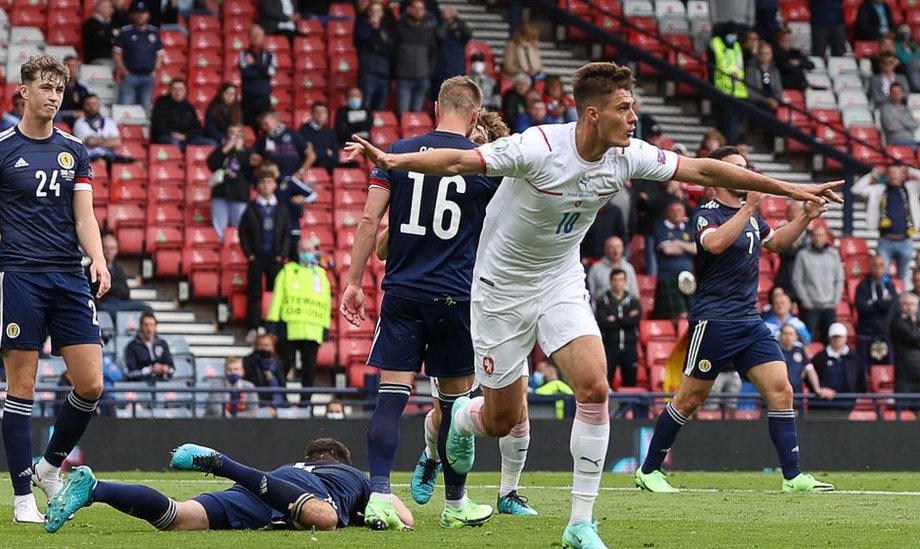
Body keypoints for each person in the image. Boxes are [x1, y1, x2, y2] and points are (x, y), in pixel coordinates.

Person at [344, 62, 841, 547]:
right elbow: (457, 161)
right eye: (625, 108)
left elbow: (701, 168)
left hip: (560, 281)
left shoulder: (626, 154)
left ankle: (580, 524)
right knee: (499, 419)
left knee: (595, 387)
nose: (633, 117)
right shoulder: (539, 146)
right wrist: (394, 162)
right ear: (592, 116)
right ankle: (459, 419)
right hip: (499, 289)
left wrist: (789, 188)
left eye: (634, 107)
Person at [340, 76, 504, 532]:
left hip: (403, 295)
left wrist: (354, 283)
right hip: (457, 297)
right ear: (475, 116)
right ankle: (455, 504)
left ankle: (377, 498)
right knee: (454, 408)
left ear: (435, 107)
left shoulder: (398, 151)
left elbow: (372, 219)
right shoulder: (481, 166)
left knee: (391, 399)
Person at [635, 145, 833, 494]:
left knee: (782, 390)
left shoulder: (751, 214)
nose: (744, 174)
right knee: (690, 399)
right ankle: (649, 470)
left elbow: (777, 244)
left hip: (749, 321)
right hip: (714, 320)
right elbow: (713, 245)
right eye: (736, 169)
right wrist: (750, 208)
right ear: (719, 176)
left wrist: (806, 217)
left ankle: (793, 477)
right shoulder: (706, 213)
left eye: (746, 167)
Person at [0, 55, 110, 523]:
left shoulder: (75, 150)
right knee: (21, 387)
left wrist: (100, 258)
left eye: (59, 90)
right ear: (23, 91)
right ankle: (21, 497)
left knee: (91, 383)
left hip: (69, 275)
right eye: (44, 87)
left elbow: (84, 215)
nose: (52, 96)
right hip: (21, 277)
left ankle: (48, 467)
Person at [44, 438, 412, 534]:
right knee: (325, 518)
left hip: (269, 487)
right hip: (297, 492)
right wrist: (371, 508)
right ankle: (225, 464)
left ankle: (96, 489)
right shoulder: (354, 477)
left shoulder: (295, 464)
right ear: (339, 460)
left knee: (180, 517)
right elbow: (405, 518)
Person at [267, 238, 331, 401]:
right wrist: (272, 325)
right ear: (297, 251)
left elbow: (326, 302)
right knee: (284, 365)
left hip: (313, 328)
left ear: (314, 252)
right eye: (303, 250)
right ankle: (281, 399)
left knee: (309, 369)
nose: (306, 253)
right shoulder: (286, 271)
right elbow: (277, 299)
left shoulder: (321, 275)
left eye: (309, 250)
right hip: (289, 327)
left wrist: (326, 327)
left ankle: (305, 403)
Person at [238, 165, 291, 333]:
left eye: (269, 182)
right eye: (263, 183)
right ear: (258, 186)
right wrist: (249, 254)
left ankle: (272, 328)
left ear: (274, 185)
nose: (266, 186)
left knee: (275, 293)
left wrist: (282, 254)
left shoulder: (282, 208)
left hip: (275, 258)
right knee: (254, 293)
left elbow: (286, 234)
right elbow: (243, 233)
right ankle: (253, 327)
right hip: (257, 257)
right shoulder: (251, 208)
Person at [851, 164, 920, 281]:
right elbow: (855, 189)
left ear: (903, 175)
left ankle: (899, 299)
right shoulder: (879, 189)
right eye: (891, 173)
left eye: (897, 173)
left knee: (902, 279)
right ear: (886, 176)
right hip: (885, 242)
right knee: (883, 278)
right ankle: (886, 298)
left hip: (906, 241)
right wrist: (873, 175)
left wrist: (911, 171)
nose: (894, 176)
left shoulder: (911, 188)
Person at [207, 124, 260, 239]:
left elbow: (249, 169)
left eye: (238, 134)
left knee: (240, 227)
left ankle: (238, 251)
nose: (234, 137)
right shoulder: (221, 148)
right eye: (231, 133)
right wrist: (225, 149)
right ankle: (221, 252)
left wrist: (239, 151)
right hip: (220, 192)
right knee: (219, 228)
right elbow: (212, 164)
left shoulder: (249, 151)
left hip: (239, 193)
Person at [792, 224, 844, 342]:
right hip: (811, 307)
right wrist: (806, 301)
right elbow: (797, 280)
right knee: (807, 340)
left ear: (826, 237)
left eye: (820, 235)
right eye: (815, 235)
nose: (817, 238)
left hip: (829, 306)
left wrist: (835, 301)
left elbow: (840, 279)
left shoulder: (834, 254)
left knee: (829, 341)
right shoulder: (802, 255)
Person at [113, 1, 164, 115]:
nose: (141, 15)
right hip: (130, 75)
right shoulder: (126, 31)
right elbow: (116, 54)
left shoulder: (154, 32)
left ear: (148, 15)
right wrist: (124, 72)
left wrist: (155, 71)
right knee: (124, 107)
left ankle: (144, 132)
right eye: (137, 13)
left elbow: (160, 54)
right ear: (132, 15)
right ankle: (123, 131)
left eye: (143, 12)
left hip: (148, 76)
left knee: (146, 108)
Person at [595, 269, 641, 388]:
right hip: (610, 347)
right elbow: (603, 323)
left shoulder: (633, 300)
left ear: (625, 281)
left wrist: (615, 319)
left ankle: (629, 407)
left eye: (620, 280)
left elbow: (635, 321)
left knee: (630, 383)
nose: (617, 283)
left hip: (629, 347)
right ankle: (607, 407)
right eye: (615, 280)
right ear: (610, 281)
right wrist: (626, 319)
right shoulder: (602, 301)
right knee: (606, 383)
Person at [652, 201, 696, 320]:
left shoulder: (688, 228)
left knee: (691, 314)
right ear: (668, 213)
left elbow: (697, 249)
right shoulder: (661, 227)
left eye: (679, 211)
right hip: (668, 278)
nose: (677, 214)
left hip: (688, 279)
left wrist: (677, 243)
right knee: (675, 316)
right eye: (673, 211)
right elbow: (668, 250)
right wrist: (687, 247)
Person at [394, 0, 437, 115]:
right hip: (404, 78)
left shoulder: (428, 31)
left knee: (417, 116)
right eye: (416, 8)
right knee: (403, 115)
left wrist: (428, 72)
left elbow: (433, 53)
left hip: (422, 77)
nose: (419, 12)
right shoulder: (399, 28)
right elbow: (393, 52)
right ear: (409, 9)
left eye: (421, 9)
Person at [809, 323, 865, 408]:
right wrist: (820, 390)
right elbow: (810, 379)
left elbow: (861, 380)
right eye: (834, 337)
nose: (837, 339)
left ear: (846, 338)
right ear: (829, 338)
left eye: (840, 337)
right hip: (823, 405)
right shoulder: (819, 358)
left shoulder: (854, 357)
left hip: (849, 404)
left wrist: (855, 397)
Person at [855, 255, 897, 367]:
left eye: (881, 265)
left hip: (885, 333)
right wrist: (883, 303)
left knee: (886, 367)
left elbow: (893, 306)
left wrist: (873, 303)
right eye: (875, 265)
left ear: (885, 268)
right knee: (865, 367)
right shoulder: (862, 285)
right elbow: (862, 307)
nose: (878, 268)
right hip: (867, 332)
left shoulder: (890, 286)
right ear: (870, 267)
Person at [709, 23, 748, 144]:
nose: (733, 37)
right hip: (723, 88)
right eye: (732, 34)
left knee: (736, 124)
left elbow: (740, 66)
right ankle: (729, 146)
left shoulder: (736, 46)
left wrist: (738, 74)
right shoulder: (716, 43)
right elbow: (719, 63)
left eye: (735, 34)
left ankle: (733, 144)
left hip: (739, 90)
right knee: (727, 124)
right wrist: (730, 72)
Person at [92, 233, 149, 314]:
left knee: (146, 308)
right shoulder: (92, 267)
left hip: (121, 303)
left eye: (112, 248)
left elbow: (126, 292)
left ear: (116, 250)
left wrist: (110, 287)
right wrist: (115, 288)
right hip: (103, 304)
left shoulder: (119, 268)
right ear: (101, 249)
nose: (109, 251)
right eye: (106, 248)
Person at [354, 1, 395, 111]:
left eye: (378, 11)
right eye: (373, 10)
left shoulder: (386, 30)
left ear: (382, 13)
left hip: (384, 73)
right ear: (368, 12)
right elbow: (362, 40)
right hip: (368, 72)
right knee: (365, 104)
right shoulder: (362, 26)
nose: (375, 13)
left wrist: (378, 29)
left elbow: (388, 46)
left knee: (380, 107)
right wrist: (372, 27)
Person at [150, 79, 215, 149]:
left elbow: (197, 128)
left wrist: (186, 136)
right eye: (175, 89)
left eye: (181, 89)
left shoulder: (188, 107)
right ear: (170, 91)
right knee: (174, 141)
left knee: (210, 143)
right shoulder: (161, 105)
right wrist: (173, 134)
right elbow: (158, 127)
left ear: (185, 91)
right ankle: (176, 159)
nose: (178, 92)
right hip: (168, 137)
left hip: (186, 138)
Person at [778, 323, 835, 403]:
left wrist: (817, 388)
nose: (788, 337)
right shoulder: (775, 351)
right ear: (780, 335)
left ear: (795, 337)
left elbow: (810, 370)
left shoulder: (800, 350)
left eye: (790, 334)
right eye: (785, 334)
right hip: (778, 396)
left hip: (797, 396)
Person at [256, 109, 316, 179]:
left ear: (275, 120)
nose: (263, 127)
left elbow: (311, 155)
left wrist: (300, 172)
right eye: (262, 124)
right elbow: (257, 158)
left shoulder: (293, 134)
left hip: (293, 180)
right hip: (274, 181)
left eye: (266, 124)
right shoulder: (263, 139)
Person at [239, 24, 276, 129]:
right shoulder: (243, 54)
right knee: (247, 127)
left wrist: (254, 63)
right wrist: (262, 70)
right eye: (253, 34)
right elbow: (246, 73)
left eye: (258, 35)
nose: (255, 37)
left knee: (265, 127)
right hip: (248, 98)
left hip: (264, 98)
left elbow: (271, 73)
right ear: (249, 37)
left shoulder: (270, 55)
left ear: (263, 37)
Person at [432, 7, 471, 99]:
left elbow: (468, 33)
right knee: (441, 99)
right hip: (441, 72)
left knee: (456, 100)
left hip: (458, 71)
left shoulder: (460, 32)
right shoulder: (438, 27)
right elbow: (440, 35)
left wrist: (456, 18)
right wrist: (445, 20)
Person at [123, 312, 174, 381]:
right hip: (141, 385)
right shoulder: (132, 346)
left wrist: (165, 368)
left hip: (161, 383)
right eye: (145, 325)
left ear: (156, 327)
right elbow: (129, 373)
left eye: (151, 325)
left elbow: (172, 369)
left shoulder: (162, 343)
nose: (149, 329)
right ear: (140, 326)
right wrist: (150, 370)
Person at [586, 235, 639, 301]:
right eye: (612, 247)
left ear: (623, 249)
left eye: (618, 247)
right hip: (602, 308)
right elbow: (590, 294)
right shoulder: (596, 268)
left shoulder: (629, 268)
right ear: (605, 249)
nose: (615, 250)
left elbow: (635, 294)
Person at [73, 94, 122, 163]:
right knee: (101, 162)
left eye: (94, 103)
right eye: (88, 104)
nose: (92, 106)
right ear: (84, 106)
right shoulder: (80, 123)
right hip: (90, 155)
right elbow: (90, 141)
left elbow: (117, 141)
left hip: (110, 155)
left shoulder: (109, 121)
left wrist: (98, 140)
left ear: (99, 104)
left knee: (136, 164)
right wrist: (108, 140)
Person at [772, 201, 807, 298]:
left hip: (804, 277)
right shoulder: (781, 229)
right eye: (791, 211)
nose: (793, 214)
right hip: (786, 275)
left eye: (796, 211)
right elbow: (785, 251)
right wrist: (801, 250)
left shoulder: (808, 232)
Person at [241, 332, 285, 408]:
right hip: (259, 405)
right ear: (256, 347)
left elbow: (282, 387)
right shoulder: (248, 362)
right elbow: (250, 391)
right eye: (261, 345)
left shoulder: (278, 363)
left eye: (267, 345)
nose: (264, 348)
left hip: (280, 403)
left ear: (273, 348)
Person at [889, 292, 920, 396]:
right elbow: (912, 337)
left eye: (912, 304)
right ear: (901, 305)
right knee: (903, 407)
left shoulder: (917, 320)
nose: (909, 307)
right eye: (906, 304)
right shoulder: (897, 321)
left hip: (918, 371)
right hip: (904, 373)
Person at [299, 101, 340, 172]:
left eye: (323, 112)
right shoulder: (304, 130)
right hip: (313, 163)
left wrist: (323, 151)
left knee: (353, 164)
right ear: (312, 113)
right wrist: (325, 152)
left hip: (329, 163)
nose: (320, 115)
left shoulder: (330, 132)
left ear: (327, 115)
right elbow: (306, 151)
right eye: (317, 112)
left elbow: (335, 152)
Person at [745, 42, 783, 112]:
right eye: (762, 53)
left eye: (767, 53)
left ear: (771, 55)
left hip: (773, 102)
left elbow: (779, 89)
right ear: (758, 55)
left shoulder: (774, 70)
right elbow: (750, 91)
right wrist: (765, 100)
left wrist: (776, 100)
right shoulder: (751, 68)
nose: (764, 56)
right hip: (758, 102)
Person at [774, 27, 814, 91]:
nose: (788, 41)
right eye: (785, 39)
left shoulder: (795, 52)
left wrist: (799, 62)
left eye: (790, 39)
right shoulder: (775, 53)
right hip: (784, 83)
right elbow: (784, 66)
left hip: (798, 82)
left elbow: (811, 65)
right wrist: (800, 69)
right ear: (779, 41)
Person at [880, 84, 919, 149]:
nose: (897, 94)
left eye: (899, 91)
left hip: (911, 140)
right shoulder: (885, 108)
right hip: (895, 141)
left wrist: (899, 120)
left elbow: (915, 124)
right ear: (890, 94)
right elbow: (890, 126)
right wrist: (907, 123)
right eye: (894, 92)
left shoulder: (905, 108)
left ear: (902, 93)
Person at [56, 56, 91, 128]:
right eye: (69, 66)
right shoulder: (56, 87)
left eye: (74, 66)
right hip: (59, 120)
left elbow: (87, 109)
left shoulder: (82, 90)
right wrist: (72, 113)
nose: (71, 70)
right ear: (63, 69)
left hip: (78, 122)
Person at [82, 0, 119, 65]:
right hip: (97, 59)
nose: (112, 11)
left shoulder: (113, 24)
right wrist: (111, 38)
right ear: (100, 8)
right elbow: (98, 41)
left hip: (113, 59)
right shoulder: (89, 24)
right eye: (109, 8)